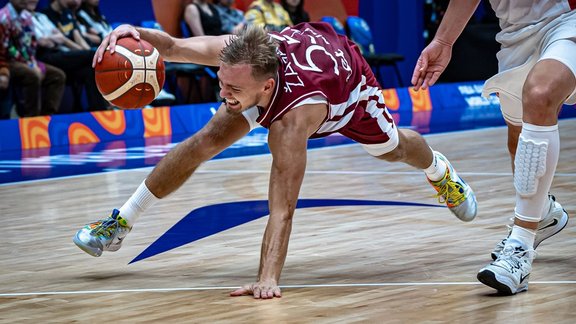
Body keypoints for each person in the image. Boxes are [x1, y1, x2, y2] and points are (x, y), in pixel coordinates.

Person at [74, 22, 477, 299]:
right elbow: (175, 47)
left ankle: (438, 170)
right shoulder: (240, 56)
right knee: (204, 140)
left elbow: (283, 208)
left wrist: (267, 278)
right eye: (221, 82)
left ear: (266, 86)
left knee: (392, 149)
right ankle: (120, 222)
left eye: (232, 88)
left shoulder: (291, 121)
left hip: (346, 88)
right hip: (294, 63)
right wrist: (133, 33)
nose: (222, 93)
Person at [412, 0, 574, 295]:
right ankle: (544, 211)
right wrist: (443, 40)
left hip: (567, 19)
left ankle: (520, 247)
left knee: (539, 95)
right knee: (519, 135)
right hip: (515, 34)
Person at [37, 0, 109, 112]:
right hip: (52, 55)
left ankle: (99, 110)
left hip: (70, 56)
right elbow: (62, 41)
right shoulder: (45, 15)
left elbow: (78, 38)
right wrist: (88, 54)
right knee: (93, 55)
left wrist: (87, 53)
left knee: (90, 70)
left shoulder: (67, 13)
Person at [0, 0, 66, 117]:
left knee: (57, 76)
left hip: (26, 60)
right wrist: (29, 66)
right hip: (8, 61)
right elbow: (5, 50)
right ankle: (31, 118)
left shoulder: (27, 17)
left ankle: (47, 116)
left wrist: (33, 64)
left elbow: (31, 45)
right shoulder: (3, 18)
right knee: (32, 75)